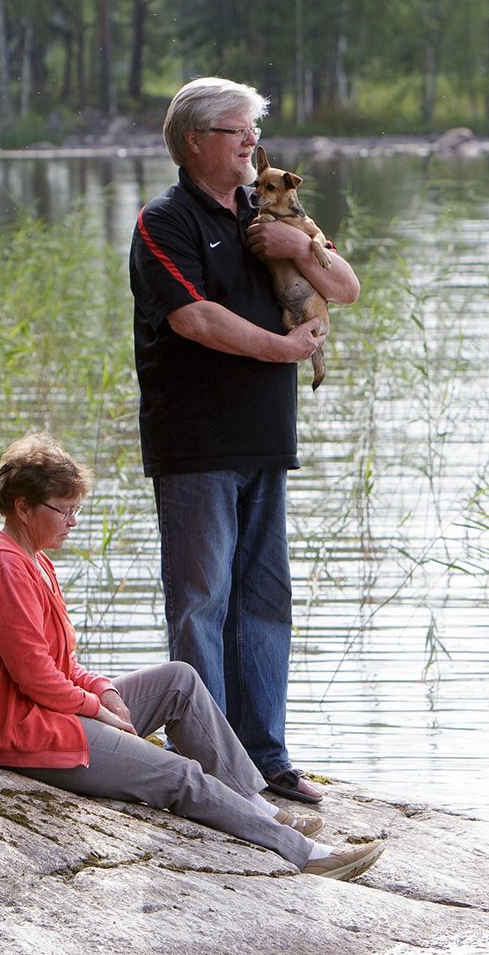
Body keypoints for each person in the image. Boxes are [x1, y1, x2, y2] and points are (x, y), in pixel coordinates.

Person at [0, 433, 384, 881]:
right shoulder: (3, 568)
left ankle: (254, 805)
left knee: (179, 680)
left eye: (76, 509)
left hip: (43, 712)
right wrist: (96, 710)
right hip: (15, 731)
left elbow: (61, 663)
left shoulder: (34, 560)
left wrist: (103, 690)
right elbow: (35, 677)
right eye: (64, 510)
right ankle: (303, 854)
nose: (73, 521)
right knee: (179, 775)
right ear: (22, 507)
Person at [126, 77, 361, 810]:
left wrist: (301, 247)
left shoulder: (271, 214)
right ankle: (208, 767)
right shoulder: (165, 222)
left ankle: (266, 759)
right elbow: (194, 318)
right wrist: (284, 350)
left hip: (266, 441)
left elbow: (346, 288)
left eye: (254, 132)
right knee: (202, 601)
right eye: (238, 131)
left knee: (264, 600)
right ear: (195, 140)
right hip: (196, 442)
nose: (252, 144)